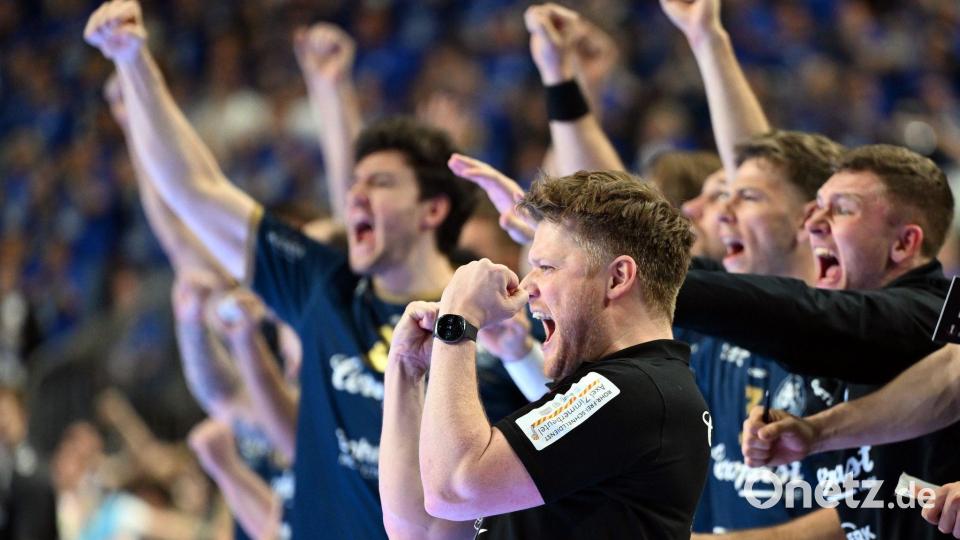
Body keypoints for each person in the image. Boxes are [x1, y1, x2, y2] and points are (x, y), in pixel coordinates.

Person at [83, 3, 526, 538]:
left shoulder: (492, 327)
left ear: (431, 211)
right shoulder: (325, 287)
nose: (355, 194)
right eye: (355, 183)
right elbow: (195, 192)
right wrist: (133, 62)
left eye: (379, 183)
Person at [380, 170, 710, 539]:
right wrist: (406, 368)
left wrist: (459, 322)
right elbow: (425, 530)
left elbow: (454, 491)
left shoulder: (636, 392)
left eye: (546, 268)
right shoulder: (618, 389)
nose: (527, 287)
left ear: (617, 278)